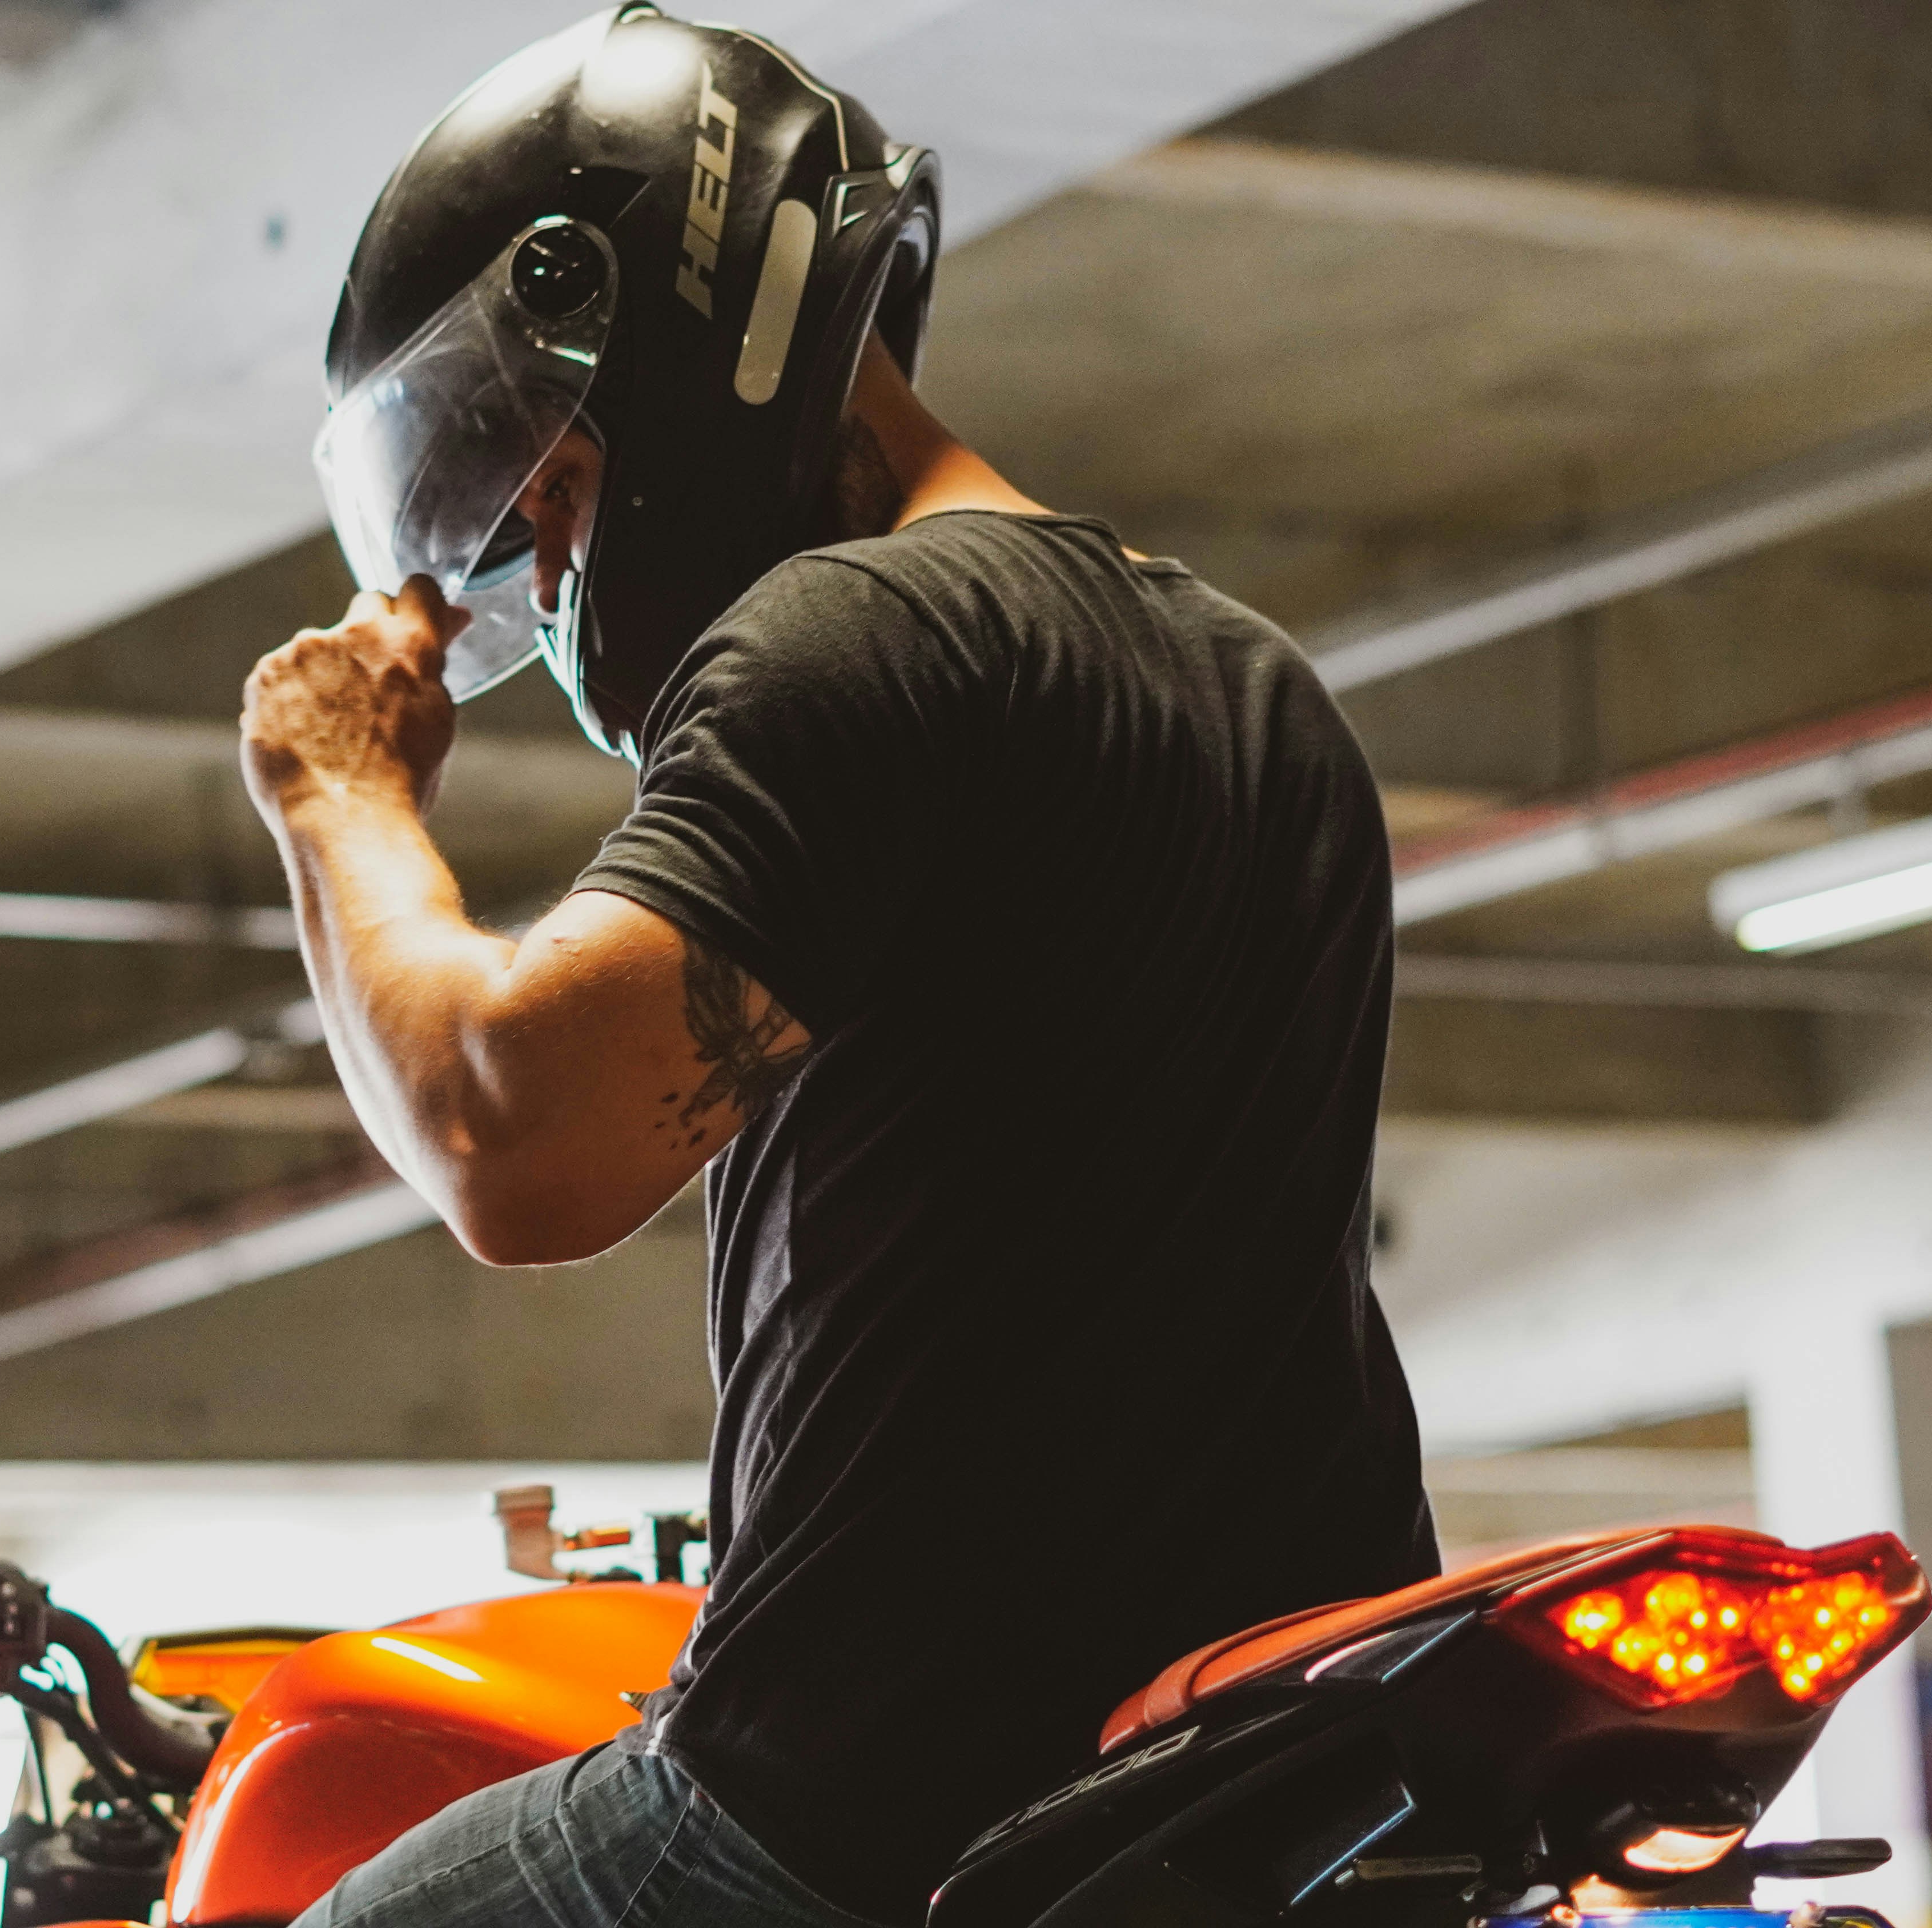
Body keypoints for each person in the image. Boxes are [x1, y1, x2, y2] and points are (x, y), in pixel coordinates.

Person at [240, 9, 1437, 1925]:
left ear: (656, 332)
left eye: (545, 484)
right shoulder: (1254, 688)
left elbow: (508, 1140)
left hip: (896, 1795)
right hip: (1278, 1775)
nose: (545, 571)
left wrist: (338, 795)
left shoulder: (854, 640)